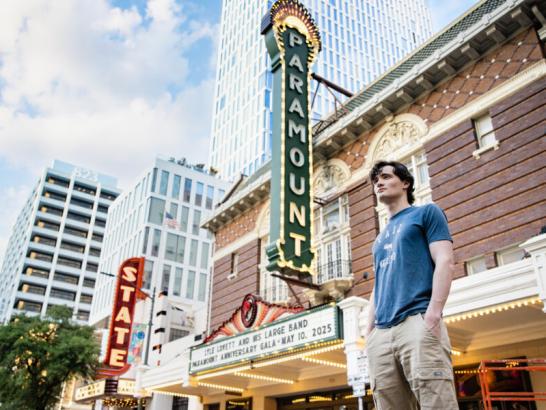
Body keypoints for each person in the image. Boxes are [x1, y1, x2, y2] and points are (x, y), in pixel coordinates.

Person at [365, 161, 458, 409]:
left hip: (417, 320)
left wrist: (434, 314)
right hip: (381, 334)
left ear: (405, 183)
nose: (379, 183)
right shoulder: (379, 239)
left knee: (436, 402)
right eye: (376, 181)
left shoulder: (426, 213)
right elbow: (379, 285)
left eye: (385, 177)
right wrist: (369, 332)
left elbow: (445, 260)